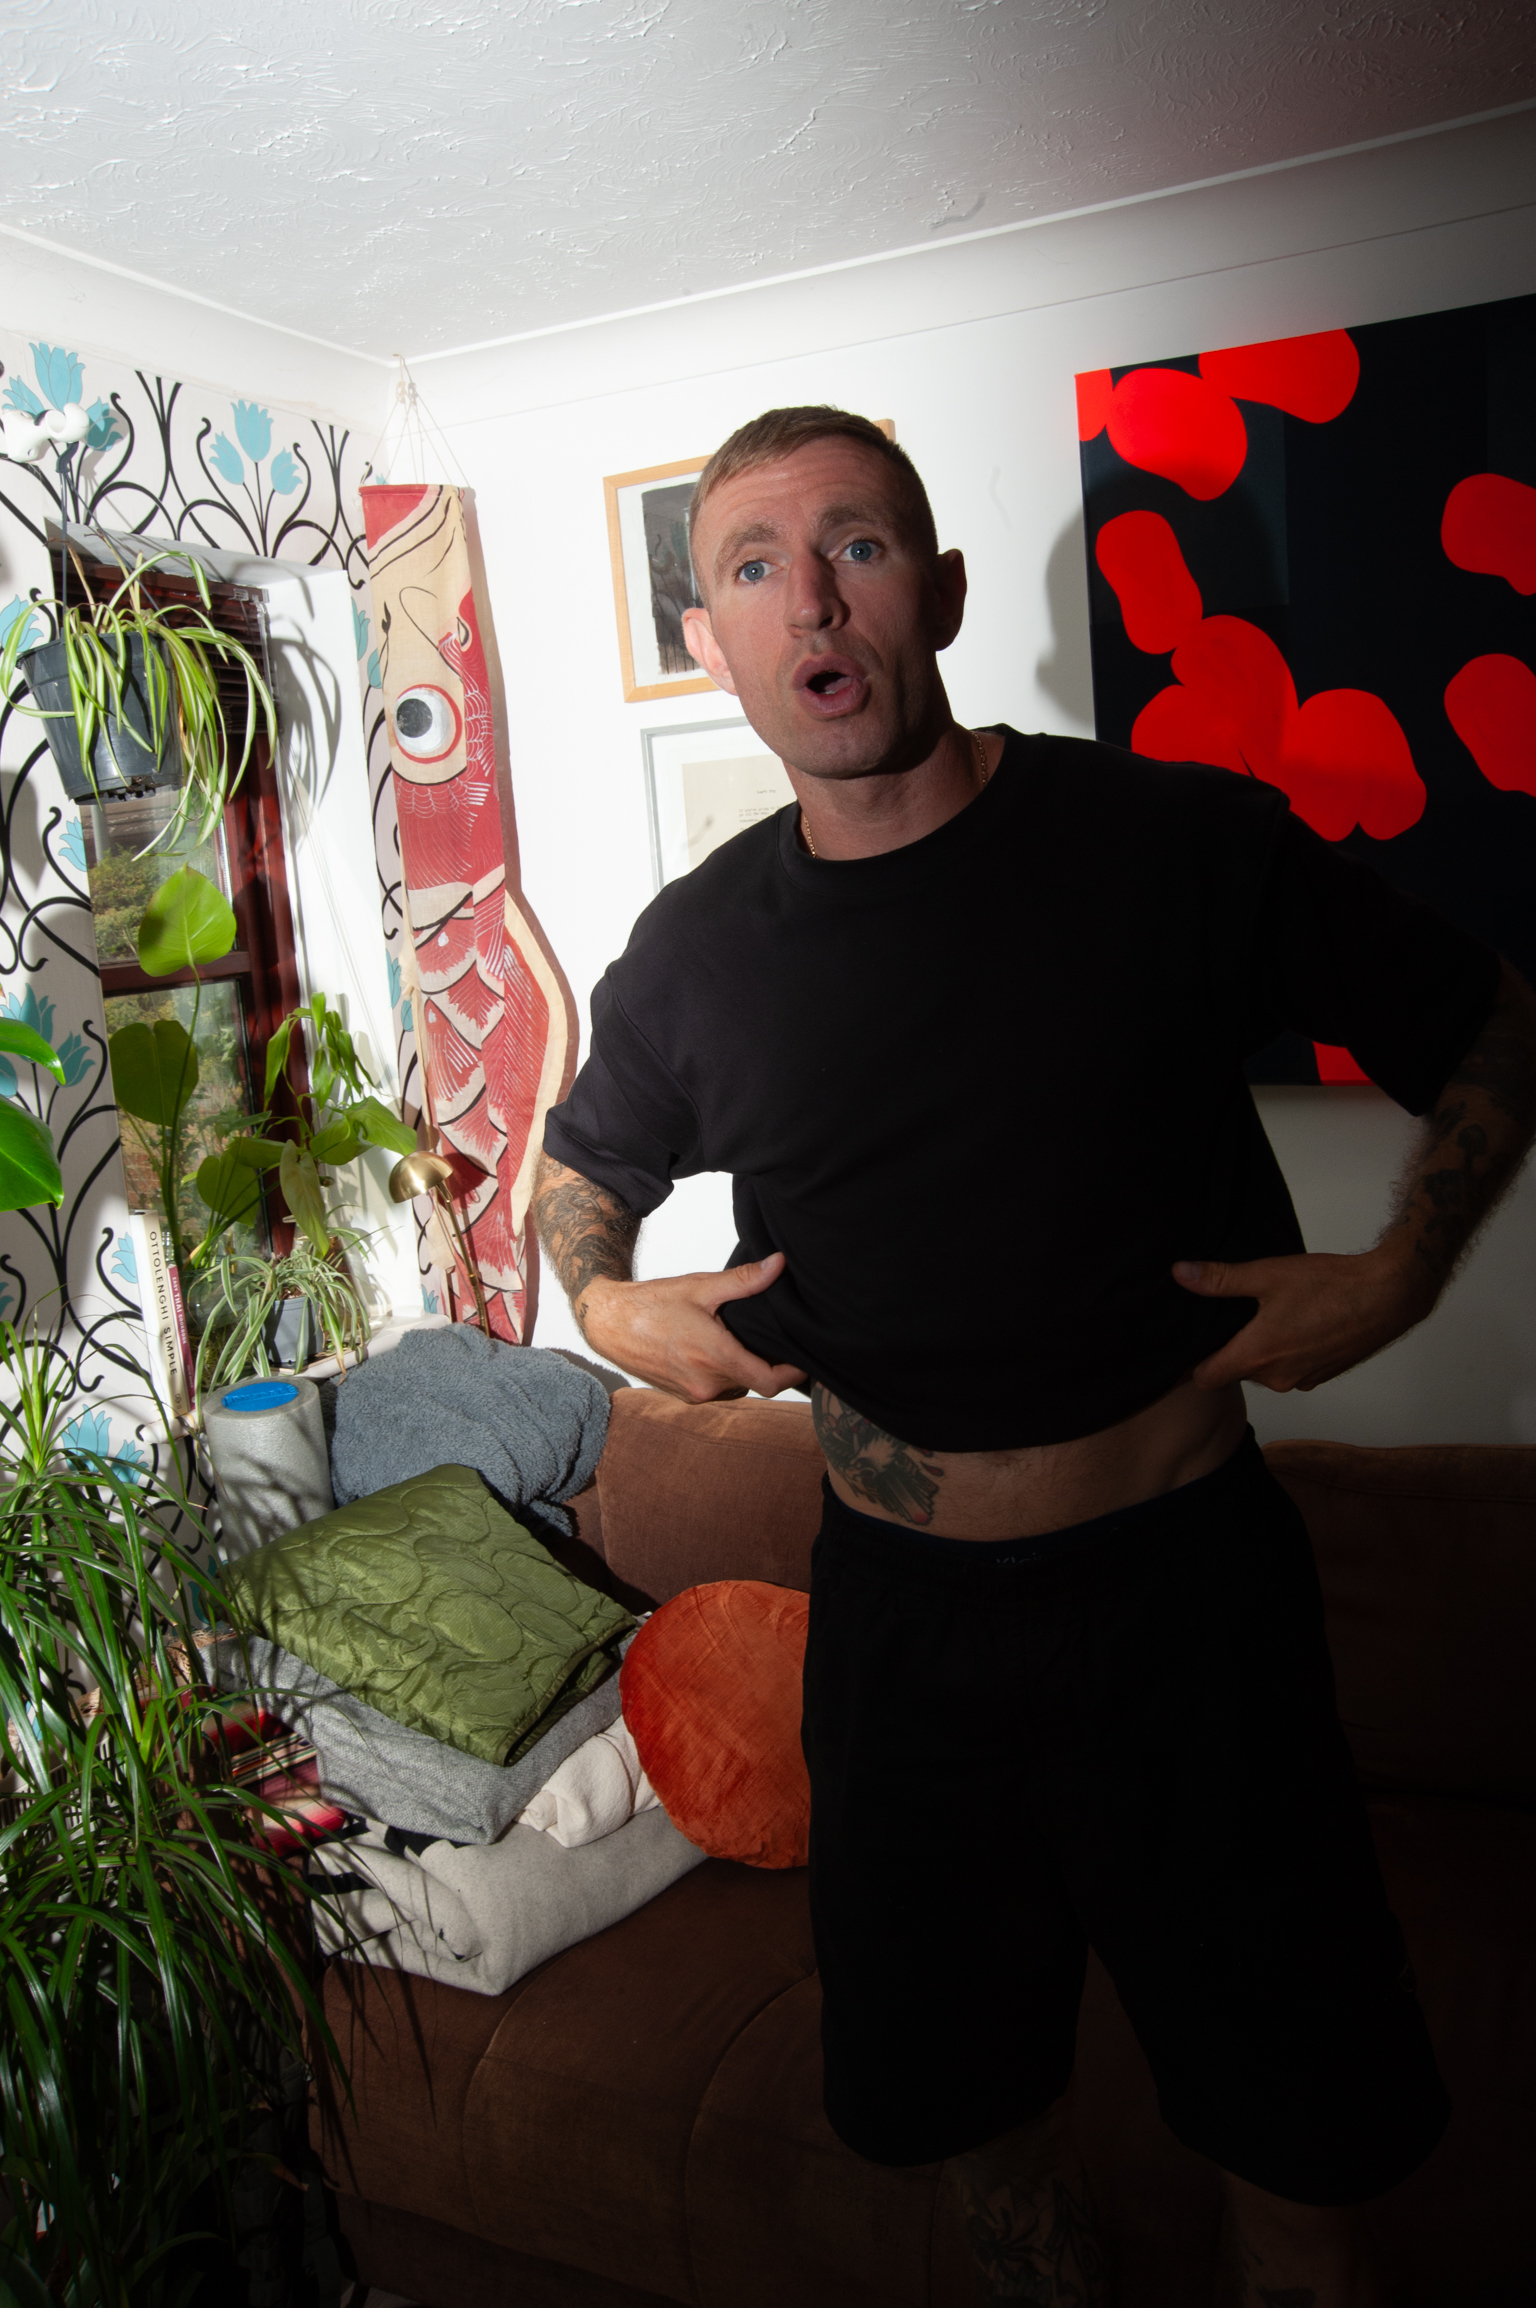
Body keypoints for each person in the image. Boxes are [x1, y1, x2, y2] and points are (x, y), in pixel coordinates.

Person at [532, 406, 1536, 2306]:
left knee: (1304, 2148)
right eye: (754, 566)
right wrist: (602, 1301)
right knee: (984, 2138)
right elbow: (579, 1175)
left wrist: (1405, 1272)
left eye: (856, 545)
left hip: (1190, 1612)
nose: (812, 599)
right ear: (713, 641)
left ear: (942, 591)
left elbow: (1493, 1022)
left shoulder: (1172, 844)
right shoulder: (697, 950)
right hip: (901, 1639)